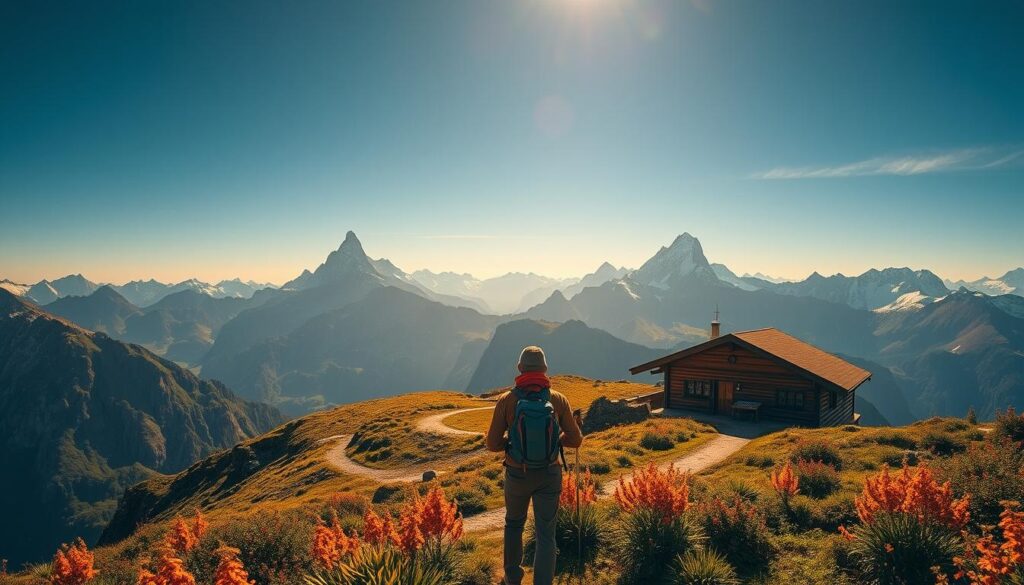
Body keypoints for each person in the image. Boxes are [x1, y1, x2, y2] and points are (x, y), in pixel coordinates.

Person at [485, 346, 583, 585]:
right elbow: (577, 439)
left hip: (517, 474)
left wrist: (513, 442)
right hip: (550, 474)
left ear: (520, 369)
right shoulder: (558, 399)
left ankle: (512, 578)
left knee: (514, 524)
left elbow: (492, 443)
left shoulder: (507, 400)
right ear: (545, 370)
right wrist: (556, 440)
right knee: (546, 533)